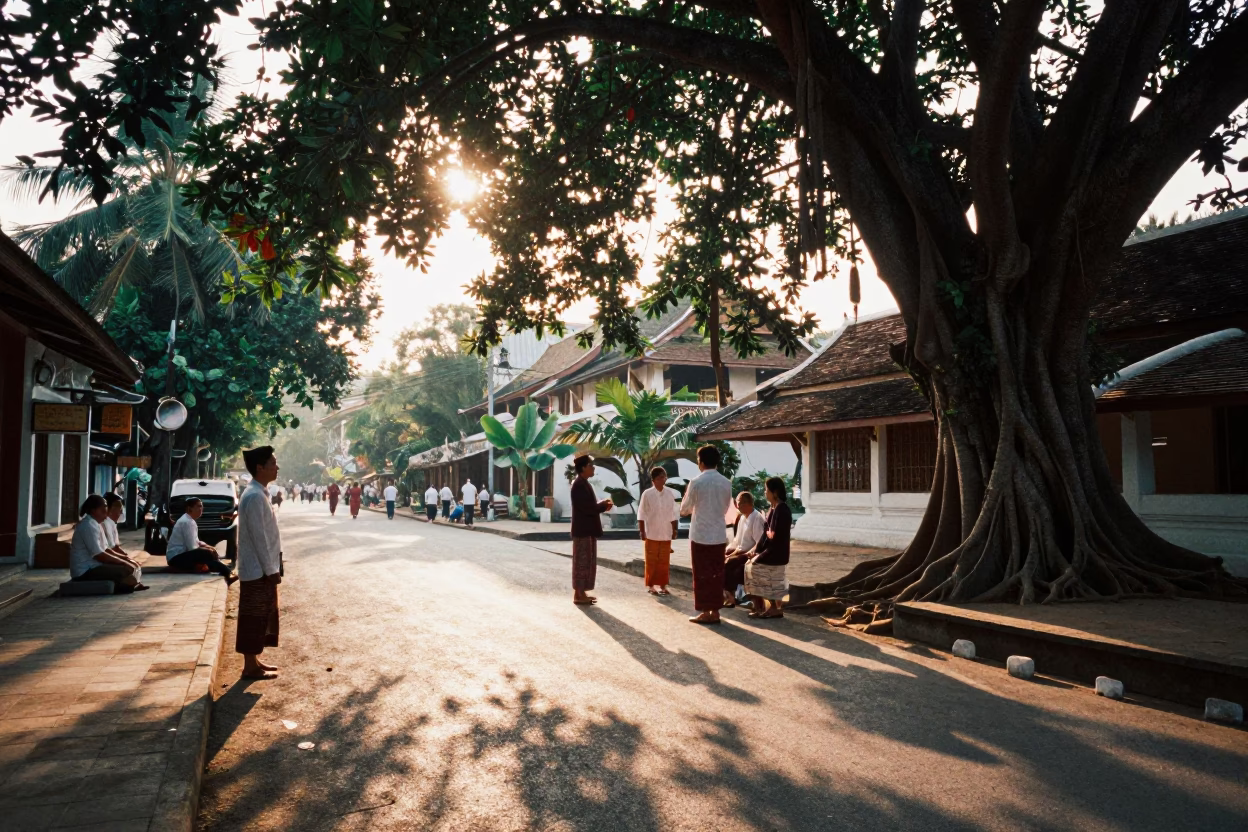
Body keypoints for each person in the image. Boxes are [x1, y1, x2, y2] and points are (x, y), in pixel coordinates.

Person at [237, 446, 284, 680]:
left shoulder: (260, 492)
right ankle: (249, 666)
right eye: (273, 463)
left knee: (261, 614)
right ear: (260, 467)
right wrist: (271, 569)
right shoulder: (254, 496)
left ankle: (254, 660)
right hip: (257, 569)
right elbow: (259, 538)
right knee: (253, 616)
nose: (277, 467)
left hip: (260, 568)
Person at [679, 445, 733, 625]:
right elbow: (725, 508)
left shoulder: (696, 482)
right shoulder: (726, 482)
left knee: (701, 574)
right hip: (718, 533)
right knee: (717, 573)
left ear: (700, 462)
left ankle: (705, 610)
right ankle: (715, 610)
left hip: (700, 534)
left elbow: (684, 509)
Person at [69, 494, 145, 592]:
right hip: (84, 571)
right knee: (125, 570)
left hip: (94, 566)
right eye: (103, 512)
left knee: (128, 568)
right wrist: (122, 562)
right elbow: (99, 555)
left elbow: (106, 549)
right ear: (93, 510)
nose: (106, 517)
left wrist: (124, 559)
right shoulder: (87, 526)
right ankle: (124, 586)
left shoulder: (96, 524)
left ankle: (127, 584)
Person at [745, 477, 792, 620]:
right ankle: (760, 605)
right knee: (748, 565)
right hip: (770, 551)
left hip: (777, 553)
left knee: (754, 567)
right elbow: (765, 536)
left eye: (767, 490)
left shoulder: (782, 510)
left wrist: (761, 555)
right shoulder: (772, 509)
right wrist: (756, 551)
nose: (765, 493)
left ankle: (773, 607)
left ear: (775, 492)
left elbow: (776, 540)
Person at [569, 455, 612, 605]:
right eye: (590, 465)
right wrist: (603, 505)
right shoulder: (579, 485)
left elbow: (589, 505)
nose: (593, 468)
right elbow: (587, 508)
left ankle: (582, 592)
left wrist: (601, 504)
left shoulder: (583, 483)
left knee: (587, 561)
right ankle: (578, 593)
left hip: (586, 529)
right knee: (582, 562)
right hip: (583, 530)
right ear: (583, 467)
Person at [166, 498, 237, 583]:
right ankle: (227, 572)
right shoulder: (187, 522)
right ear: (190, 509)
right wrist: (207, 550)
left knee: (209, 555)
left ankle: (227, 572)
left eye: (202, 507)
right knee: (207, 553)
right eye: (198, 506)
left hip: (180, 556)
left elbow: (196, 541)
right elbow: (192, 547)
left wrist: (207, 546)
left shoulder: (189, 520)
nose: (201, 509)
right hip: (176, 558)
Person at [637, 466, 678, 596]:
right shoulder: (647, 494)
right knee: (651, 560)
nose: (663, 479)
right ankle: (651, 585)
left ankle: (663, 585)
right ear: (654, 480)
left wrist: (675, 529)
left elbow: (673, 513)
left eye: (664, 477)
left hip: (666, 532)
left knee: (664, 561)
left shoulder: (670, 493)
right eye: (660, 477)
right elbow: (641, 513)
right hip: (652, 533)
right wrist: (642, 531)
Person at [723, 492, 765, 608]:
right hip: (740, 551)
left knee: (728, 564)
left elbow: (759, 542)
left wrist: (742, 553)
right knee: (722, 561)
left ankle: (732, 597)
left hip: (750, 554)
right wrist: (727, 551)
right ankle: (729, 596)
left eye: (739, 503)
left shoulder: (756, 518)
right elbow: (737, 541)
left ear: (747, 504)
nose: (737, 506)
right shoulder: (742, 518)